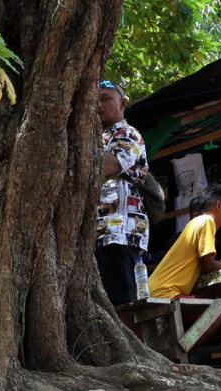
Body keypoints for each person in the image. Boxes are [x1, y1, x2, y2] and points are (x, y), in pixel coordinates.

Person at [148, 184, 221, 299]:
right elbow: (208, 265)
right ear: (219, 205)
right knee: (218, 315)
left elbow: (207, 263)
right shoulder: (206, 221)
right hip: (165, 294)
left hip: (158, 291)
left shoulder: (198, 223)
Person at [96, 79, 149, 306]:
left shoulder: (127, 133)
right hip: (102, 233)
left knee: (123, 303)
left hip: (120, 232)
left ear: (123, 103)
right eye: (95, 100)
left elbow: (107, 166)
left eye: (106, 99)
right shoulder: (100, 137)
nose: (98, 105)